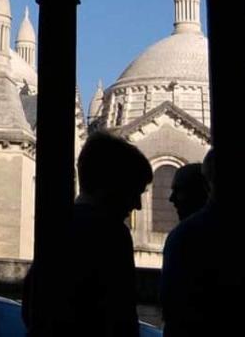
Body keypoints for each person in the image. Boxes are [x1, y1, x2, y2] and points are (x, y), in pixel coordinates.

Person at [25, 131, 153, 336]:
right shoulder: (112, 233)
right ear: (112, 186)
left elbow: (30, 307)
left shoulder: (57, 225)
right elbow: (120, 318)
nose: (137, 205)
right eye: (134, 192)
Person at [160, 149, 245, 336]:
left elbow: (174, 311)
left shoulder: (183, 237)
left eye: (179, 191)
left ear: (206, 186)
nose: (172, 199)